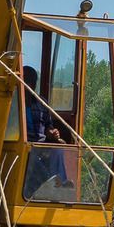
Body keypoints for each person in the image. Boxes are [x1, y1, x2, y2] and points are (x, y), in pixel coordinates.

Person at [22, 66, 71, 198]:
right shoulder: (13, 102)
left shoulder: (42, 103)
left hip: (42, 145)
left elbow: (48, 127)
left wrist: (53, 132)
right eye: (26, 81)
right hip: (23, 147)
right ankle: (47, 185)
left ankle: (61, 185)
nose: (29, 85)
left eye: (32, 82)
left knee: (57, 150)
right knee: (30, 155)